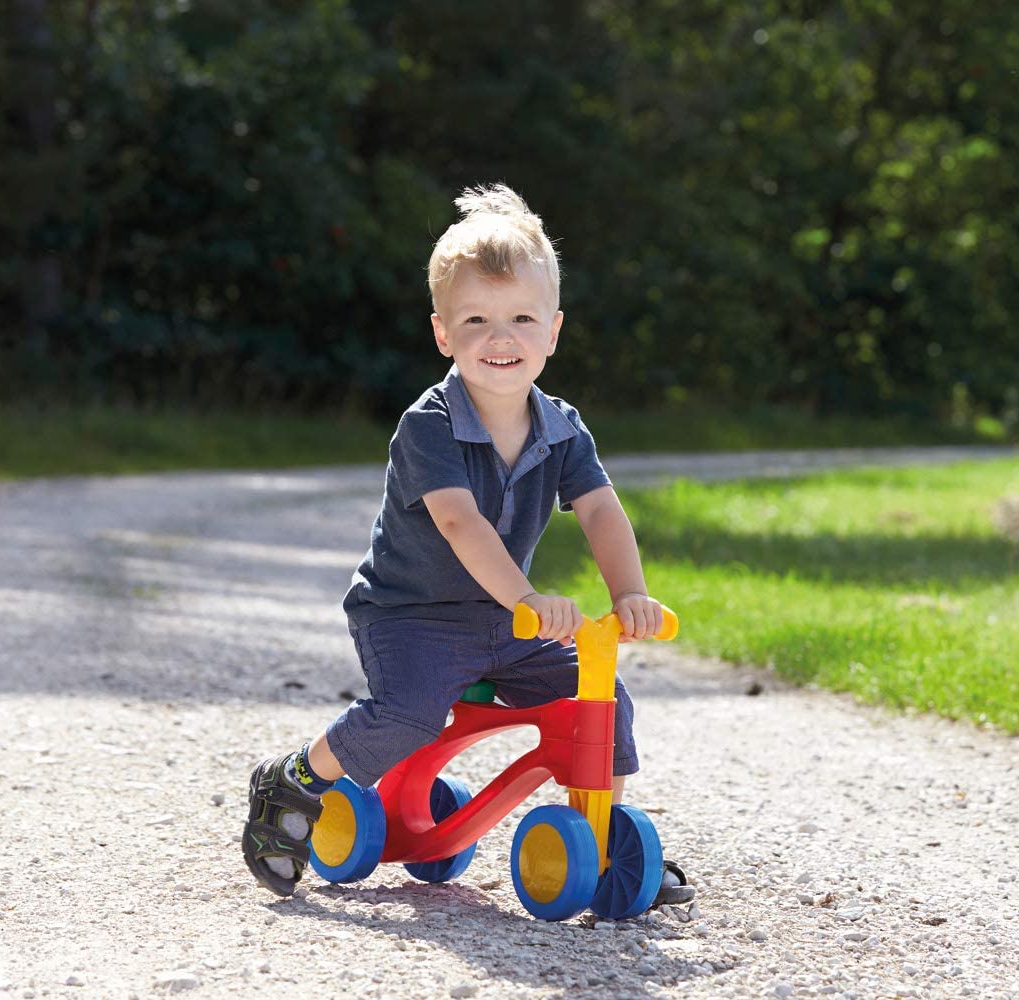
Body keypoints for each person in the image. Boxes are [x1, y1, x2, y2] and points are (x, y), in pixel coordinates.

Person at [243, 183, 693, 909]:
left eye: (521, 318)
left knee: (598, 696)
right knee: (410, 714)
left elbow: (602, 511)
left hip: (502, 622)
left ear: (553, 331)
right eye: (476, 320)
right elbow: (461, 524)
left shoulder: (563, 427)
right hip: (410, 612)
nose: (500, 337)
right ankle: (297, 777)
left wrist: (629, 593)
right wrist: (524, 595)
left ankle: (602, 834)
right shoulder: (430, 424)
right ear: (443, 333)